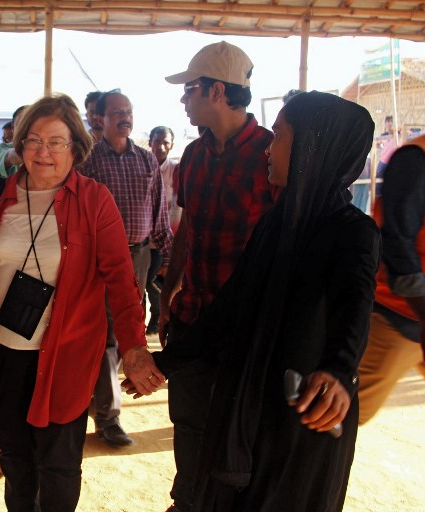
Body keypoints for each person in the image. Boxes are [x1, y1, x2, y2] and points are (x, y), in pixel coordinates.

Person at [142, 91, 380, 511]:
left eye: (282, 137)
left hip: (302, 413)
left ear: (312, 146)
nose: (270, 147)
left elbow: (354, 306)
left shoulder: (351, 232)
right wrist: (166, 363)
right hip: (250, 403)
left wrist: (340, 369)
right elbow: (230, 309)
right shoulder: (275, 223)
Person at [0, 94, 164, 512]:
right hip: (2, 351)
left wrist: (134, 347)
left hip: (68, 356)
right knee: (15, 457)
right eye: (34, 141)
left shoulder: (94, 200)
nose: (43, 152)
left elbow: (121, 279)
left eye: (56, 142)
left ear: (75, 148)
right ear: (20, 144)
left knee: (59, 464)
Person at [159, 41, 279, 511]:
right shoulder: (193, 157)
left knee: (238, 428)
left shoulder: (274, 155)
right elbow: (186, 230)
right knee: (188, 421)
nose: (183, 101)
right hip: (193, 314)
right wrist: (169, 294)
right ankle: (187, 501)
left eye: (189, 91)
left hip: (246, 328)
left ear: (214, 90)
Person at [81, 90, 173, 447]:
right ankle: (108, 418)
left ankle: (99, 401)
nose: (125, 118)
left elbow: (159, 209)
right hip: (99, 259)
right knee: (108, 336)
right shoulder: (89, 159)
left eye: (129, 112)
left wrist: (165, 256)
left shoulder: (146, 159)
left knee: (125, 331)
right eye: (117, 112)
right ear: (100, 119)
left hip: (139, 258)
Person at [357, 133, 425, 425]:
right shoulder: (415, 159)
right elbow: (398, 244)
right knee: (342, 412)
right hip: (398, 315)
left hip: (413, 317)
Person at [146, 125, 180, 335]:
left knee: (154, 280)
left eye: (165, 142)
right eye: (157, 141)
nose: (161, 146)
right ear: (150, 142)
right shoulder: (141, 167)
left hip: (167, 239)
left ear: (171, 145)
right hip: (142, 238)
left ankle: (158, 316)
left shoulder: (177, 171)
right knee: (140, 283)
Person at [0, 105, 26, 179]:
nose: (26, 129)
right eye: (22, 124)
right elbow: (11, 156)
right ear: (13, 128)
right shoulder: (0, 149)